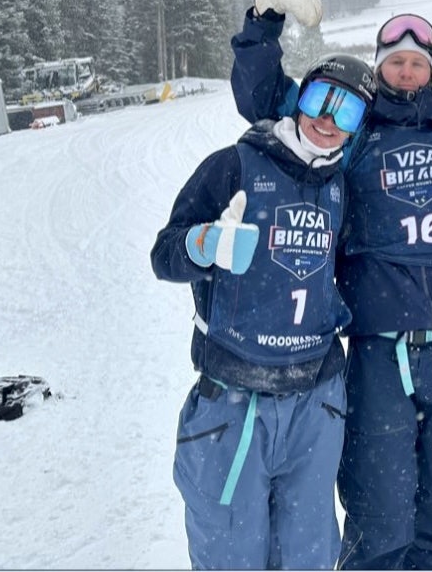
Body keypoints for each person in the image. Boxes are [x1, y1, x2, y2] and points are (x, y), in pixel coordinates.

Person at [229, 0, 432, 569]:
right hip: (377, 350)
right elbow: (266, 99)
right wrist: (263, 22)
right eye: (396, 61)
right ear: (379, 64)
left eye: (418, 62)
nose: (407, 71)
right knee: (379, 518)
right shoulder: (353, 123)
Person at [150, 32, 376, 569]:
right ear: (299, 98)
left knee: (308, 555)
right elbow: (164, 255)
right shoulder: (234, 166)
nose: (328, 119)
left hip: (315, 402)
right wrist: (204, 245)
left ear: (358, 127)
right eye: (319, 99)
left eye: (346, 111)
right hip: (234, 400)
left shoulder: (340, 186)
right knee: (231, 553)